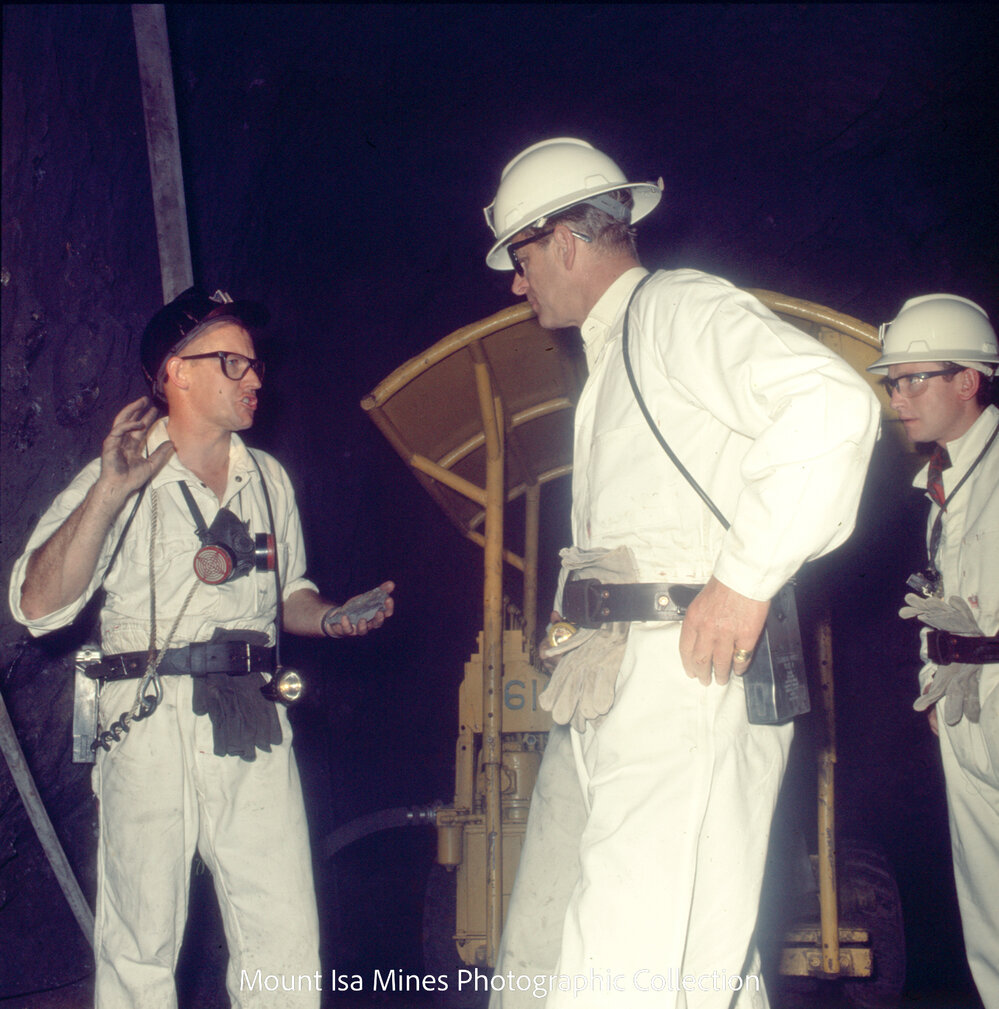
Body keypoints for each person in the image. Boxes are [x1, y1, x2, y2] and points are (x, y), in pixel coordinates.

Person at [480, 138, 880, 1008]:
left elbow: (831, 405)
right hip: (642, 673)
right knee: (702, 962)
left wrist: (743, 578)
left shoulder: (673, 309)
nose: (517, 282)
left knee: (621, 951)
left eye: (520, 257)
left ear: (563, 242)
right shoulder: (618, 349)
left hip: (683, 673)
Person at [9, 288, 394, 1008]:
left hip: (249, 714)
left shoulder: (267, 479)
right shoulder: (118, 474)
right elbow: (38, 608)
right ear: (176, 373)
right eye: (233, 362)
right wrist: (108, 495)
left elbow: (288, 596)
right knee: (141, 939)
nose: (256, 378)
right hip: (148, 717)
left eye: (254, 364)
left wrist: (333, 615)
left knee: (281, 930)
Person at [867, 294, 999, 1009]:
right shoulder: (938, 485)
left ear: (967, 380)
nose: (897, 398)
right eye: (891, 382)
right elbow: (940, 596)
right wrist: (935, 675)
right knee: (987, 906)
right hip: (964, 705)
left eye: (913, 379)